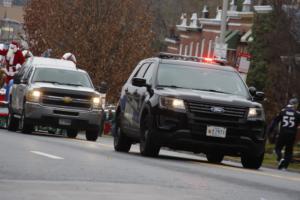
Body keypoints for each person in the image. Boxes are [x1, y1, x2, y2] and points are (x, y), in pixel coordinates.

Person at [268, 98, 300, 170]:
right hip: (292, 134)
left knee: (277, 148)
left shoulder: (283, 111)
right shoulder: (297, 114)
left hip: (282, 133)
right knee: (289, 151)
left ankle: (280, 158)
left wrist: (270, 130)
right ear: (295, 105)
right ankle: (284, 166)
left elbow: (275, 121)